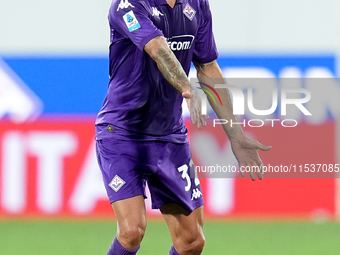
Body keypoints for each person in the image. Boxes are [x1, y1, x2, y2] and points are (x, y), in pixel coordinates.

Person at [95, 0, 272, 254]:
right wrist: (186, 87)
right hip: (122, 134)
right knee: (132, 231)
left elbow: (208, 66)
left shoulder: (197, 4)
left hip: (169, 137)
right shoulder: (129, 5)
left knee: (192, 242)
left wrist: (235, 134)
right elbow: (158, 49)